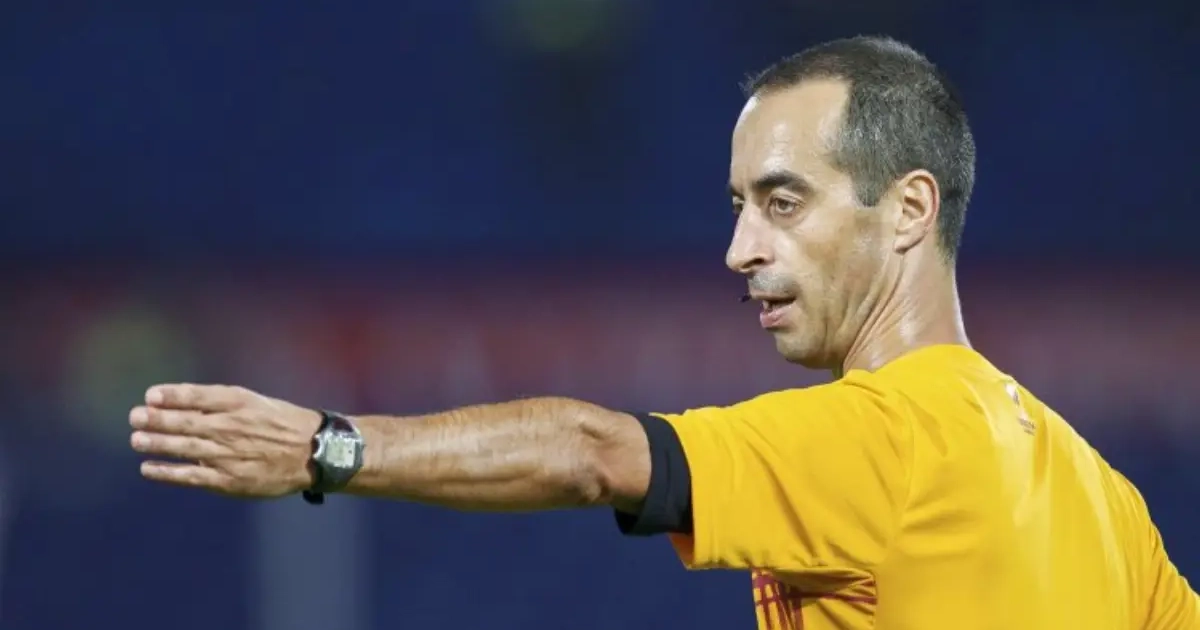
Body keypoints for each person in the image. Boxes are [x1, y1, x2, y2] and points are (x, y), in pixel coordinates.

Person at [127, 36, 1197, 629]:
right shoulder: (1105, 500)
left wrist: (326, 448)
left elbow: (594, 453)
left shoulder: (893, 437)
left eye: (782, 202)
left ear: (909, 208)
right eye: (737, 206)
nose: (738, 248)